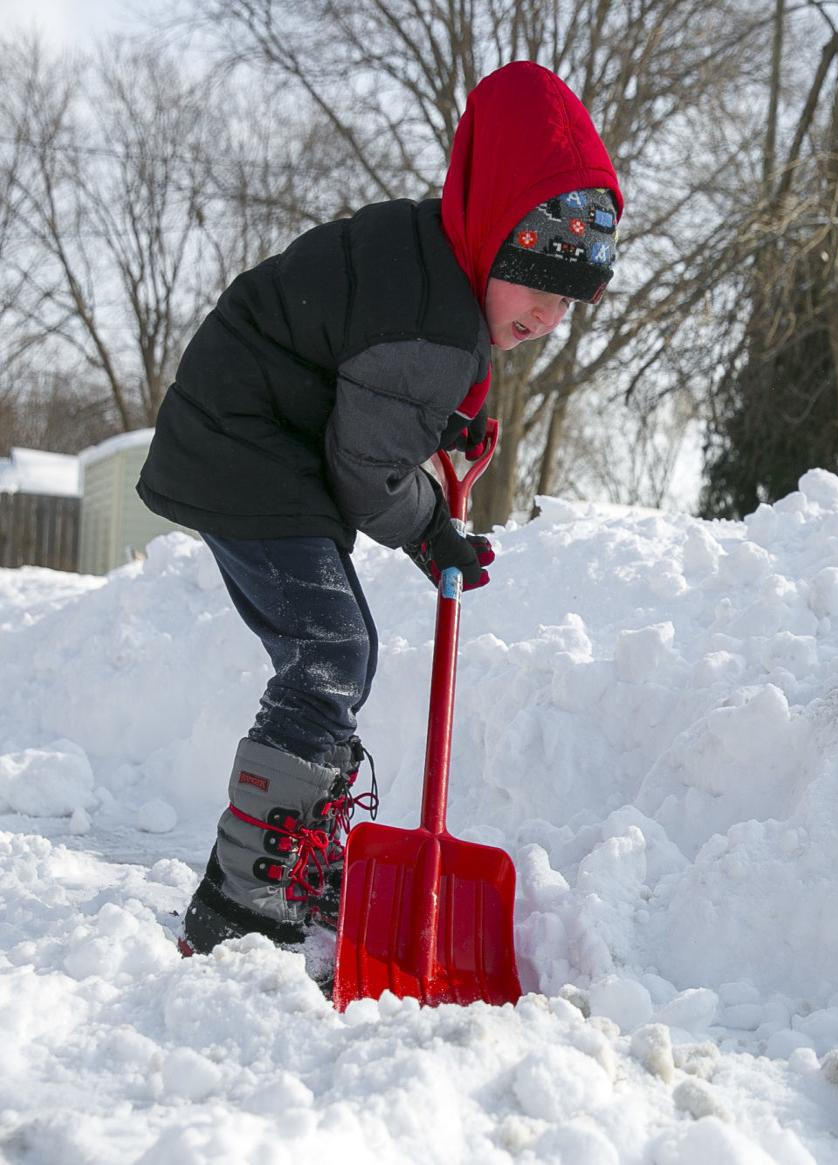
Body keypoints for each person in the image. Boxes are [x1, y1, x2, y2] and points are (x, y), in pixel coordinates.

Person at [136, 61, 623, 985]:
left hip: (250, 429)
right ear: (494, 242)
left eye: (569, 300)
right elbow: (366, 474)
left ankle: (301, 854)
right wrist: (431, 526)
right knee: (331, 650)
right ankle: (243, 901)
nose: (550, 316)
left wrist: (437, 441)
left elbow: (366, 385)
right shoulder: (437, 322)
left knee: (333, 650)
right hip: (242, 445)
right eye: (537, 284)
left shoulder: (432, 261)